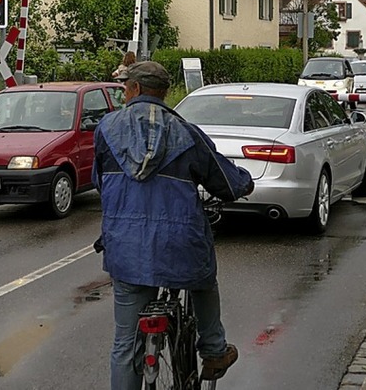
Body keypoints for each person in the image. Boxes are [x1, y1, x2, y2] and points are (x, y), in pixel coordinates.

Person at [92, 61, 254, 390]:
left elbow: (99, 182)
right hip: (180, 246)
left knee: (125, 345)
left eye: (126, 88)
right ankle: (213, 350)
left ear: (134, 90)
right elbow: (225, 181)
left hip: (126, 249)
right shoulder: (187, 133)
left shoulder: (107, 129)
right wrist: (244, 182)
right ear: (164, 93)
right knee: (203, 280)